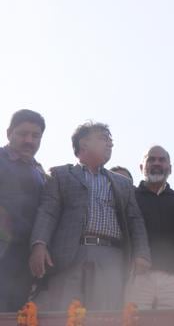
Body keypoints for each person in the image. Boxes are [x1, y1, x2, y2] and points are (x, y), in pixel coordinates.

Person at [29, 122, 151, 311]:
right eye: (103, 139)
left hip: (111, 256)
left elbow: (135, 220)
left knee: (105, 316)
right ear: (83, 143)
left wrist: (142, 254)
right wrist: (39, 244)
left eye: (111, 141)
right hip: (70, 254)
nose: (110, 145)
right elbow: (48, 211)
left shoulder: (123, 183)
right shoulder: (60, 174)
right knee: (65, 314)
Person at [125, 146, 174, 309]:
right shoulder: (129, 198)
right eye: (151, 159)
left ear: (170, 168)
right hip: (137, 278)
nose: (156, 163)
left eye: (162, 160)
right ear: (141, 167)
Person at [0, 109, 47, 312]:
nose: (29, 140)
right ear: (9, 133)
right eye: (23, 134)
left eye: (35, 136)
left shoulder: (40, 172)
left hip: (24, 261)